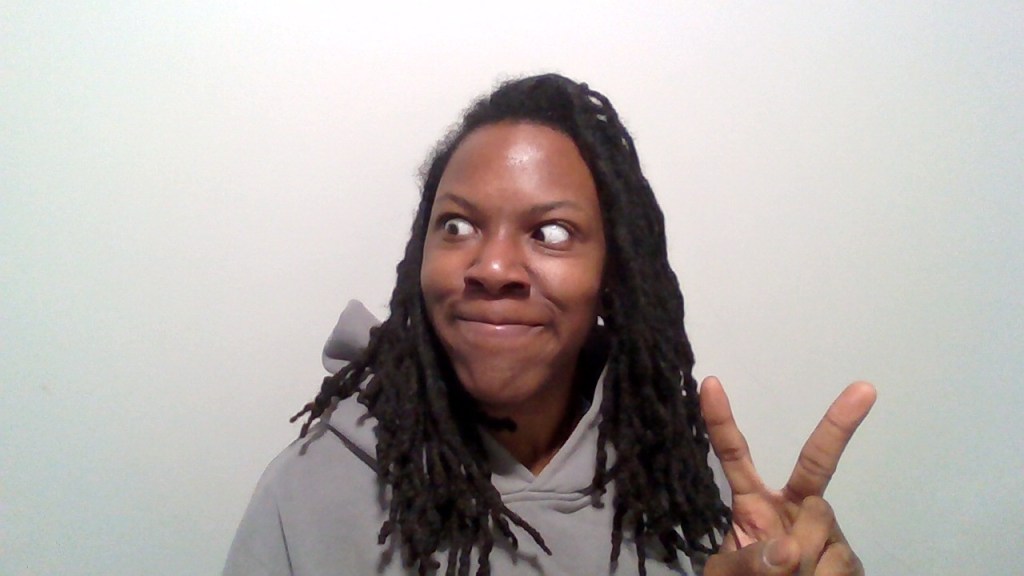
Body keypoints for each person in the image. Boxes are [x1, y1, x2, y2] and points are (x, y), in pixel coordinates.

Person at [224, 73, 876, 576]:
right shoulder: (307, 492)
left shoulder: (680, 481)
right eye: (457, 225)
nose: (493, 267)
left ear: (611, 274)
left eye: (552, 232)